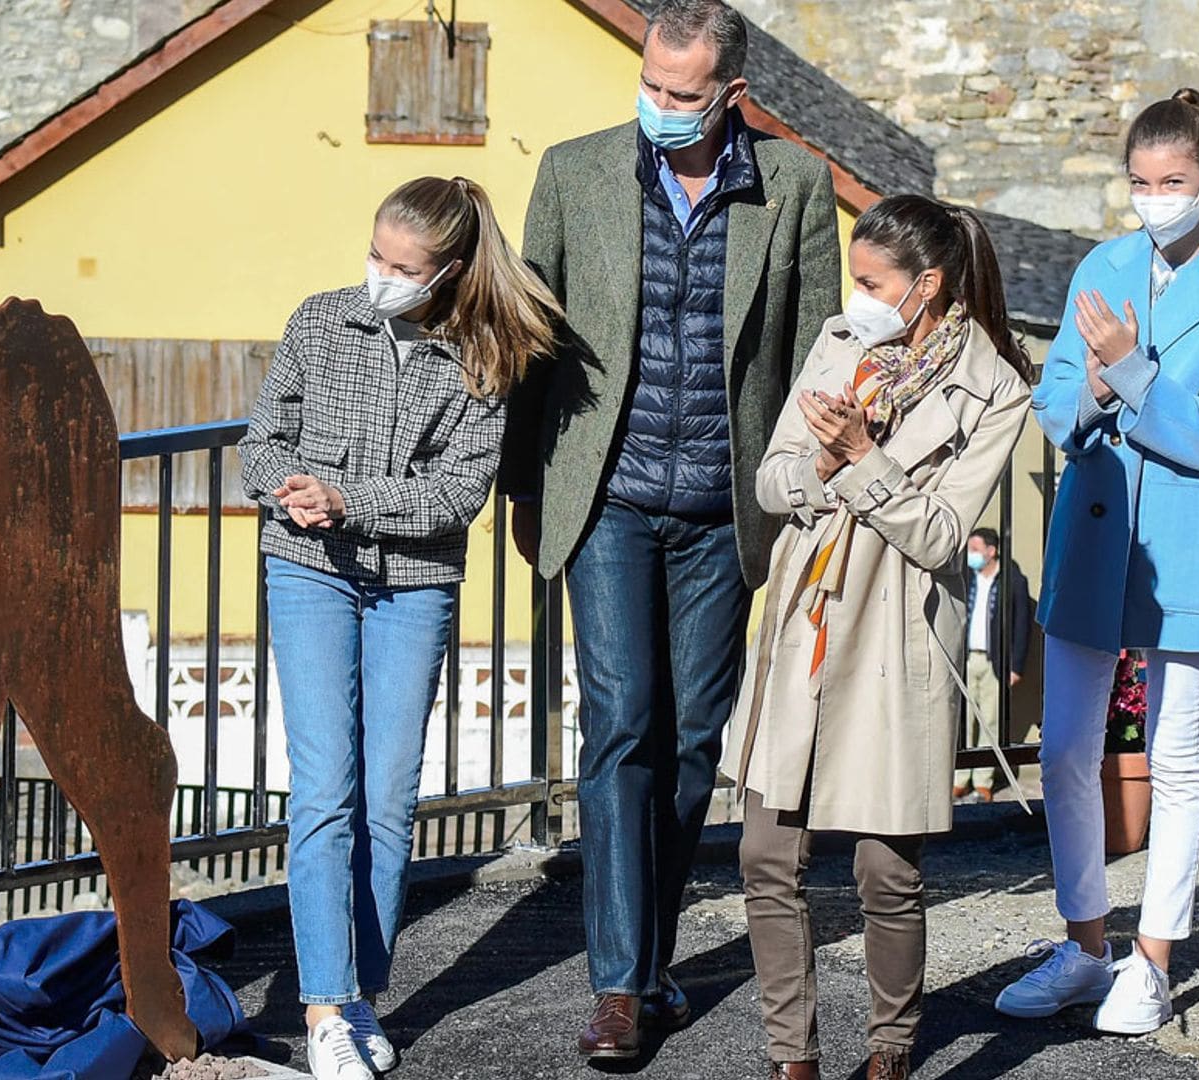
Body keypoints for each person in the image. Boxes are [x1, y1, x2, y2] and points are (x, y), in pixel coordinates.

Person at [497, 0, 841, 1058]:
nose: (659, 106)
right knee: (622, 724)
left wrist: (817, 493)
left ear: (732, 95)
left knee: (694, 741)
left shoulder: (794, 185)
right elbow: (526, 349)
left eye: (683, 95)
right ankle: (618, 987)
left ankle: (647, 965)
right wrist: (523, 491)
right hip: (604, 499)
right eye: (651, 84)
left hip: (723, 512)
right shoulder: (571, 171)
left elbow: (820, 356)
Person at [238, 176, 560, 1080]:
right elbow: (262, 438)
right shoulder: (321, 319)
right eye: (375, 255)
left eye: (401, 266)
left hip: (414, 583)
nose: (380, 274)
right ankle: (324, 1006)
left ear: (448, 271)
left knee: (388, 798)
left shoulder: (484, 357)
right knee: (323, 792)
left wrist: (351, 499)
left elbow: (458, 496)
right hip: (308, 571)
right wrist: (286, 487)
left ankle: (360, 995)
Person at [997, 88, 1199, 1036]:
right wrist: (1095, 383)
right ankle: (1084, 947)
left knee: (1176, 755)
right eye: (1138, 180)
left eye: (1170, 181)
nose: (1153, 196)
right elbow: (1054, 403)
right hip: (1094, 524)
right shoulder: (1105, 262)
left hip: (1185, 538)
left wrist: (1131, 371)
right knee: (1069, 747)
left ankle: (1152, 962)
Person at [733, 194, 1032, 1080]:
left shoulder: (996, 388)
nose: (855, 296)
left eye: (872, 281)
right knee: (765, 853)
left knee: (884, 871)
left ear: (927, 284)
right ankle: (793, 1057)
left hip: (896, 626)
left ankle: (890, 1050)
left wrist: (863, 457)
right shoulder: (839, 343)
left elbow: (941, 536)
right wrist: (822, 467)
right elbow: (771, 480)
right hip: (810, 614)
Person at [954, 526, 1034, 801]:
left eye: (975, 550)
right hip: (965, 658)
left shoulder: (1012, 580)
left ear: (991, 551)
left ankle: (983, 781)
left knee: (990, 721)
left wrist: (1016, 666)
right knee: (962, 721)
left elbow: (1022, 625)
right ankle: (959, 778)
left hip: (994, 662)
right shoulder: (966, 578)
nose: (970, 555)